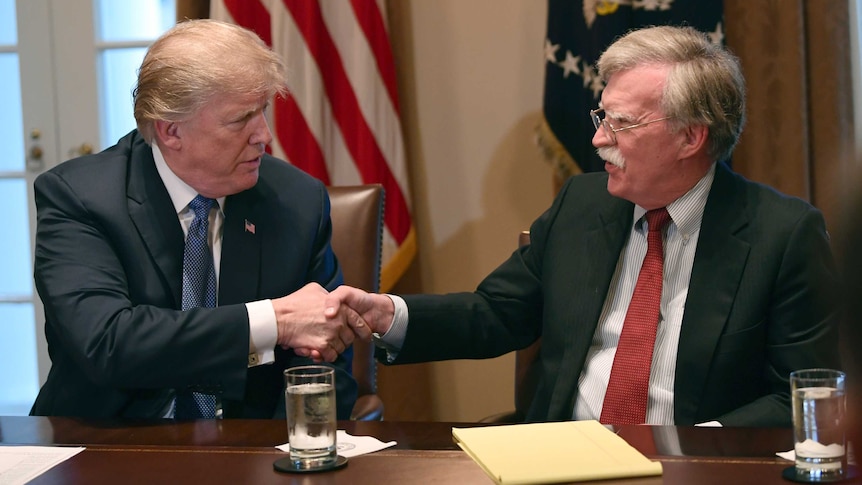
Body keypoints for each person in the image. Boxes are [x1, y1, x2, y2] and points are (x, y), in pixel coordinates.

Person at [327, 25, 841, 427]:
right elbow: (496, 313)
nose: (598, 140)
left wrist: (698, 442)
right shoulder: (581, 203)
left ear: (691, 138)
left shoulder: (782, 235)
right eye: (603, 117)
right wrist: (387, 314)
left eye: (622, 123)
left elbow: (804, 394)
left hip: (693, 462)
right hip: (561, 455)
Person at [30, 19, 370, 420]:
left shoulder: (297, 200)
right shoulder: (80, 197)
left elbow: (325, 358)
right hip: (107, 443)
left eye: (262, 110)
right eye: (240, 119)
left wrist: (284, 453)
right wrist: (272, 321)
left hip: (252, 452)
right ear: (172, 131)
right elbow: (108, 343)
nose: (264, 135)